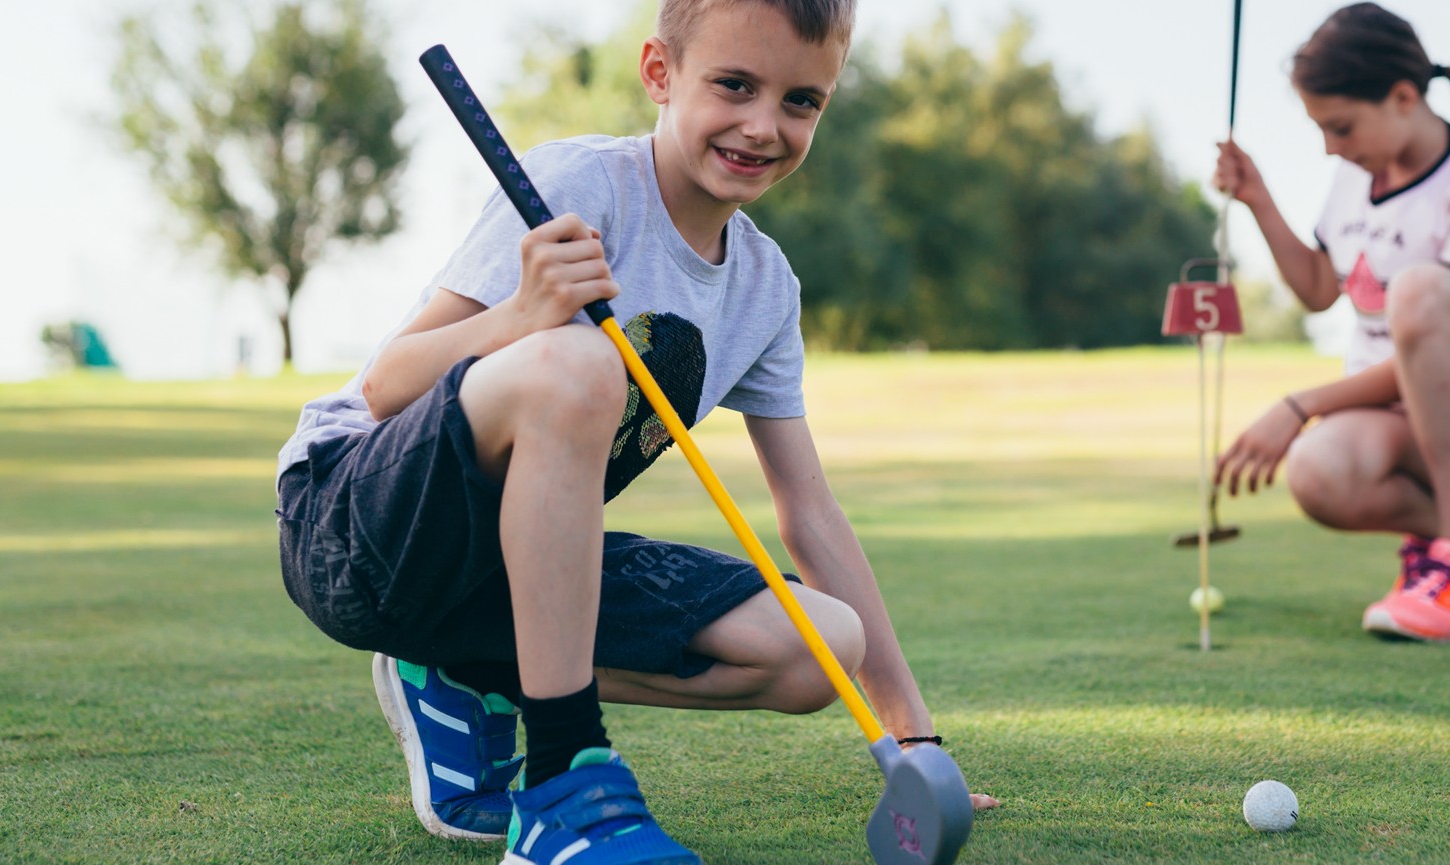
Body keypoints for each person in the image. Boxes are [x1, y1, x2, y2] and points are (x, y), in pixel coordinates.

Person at [274, 2, 993, 862]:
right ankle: (561, 786)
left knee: (823, 646)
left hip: (502, 568)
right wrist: (522, 315)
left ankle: (464, 665)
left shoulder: (765, 288)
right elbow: (389, 385)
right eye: (734, 85)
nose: (764, 126)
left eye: (802, 101)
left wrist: (913, 738)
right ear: (659, 73)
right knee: (577, 365)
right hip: (353, 527)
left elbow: (811, 514)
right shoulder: (575, 186)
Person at [1211, 2, 1450, 643]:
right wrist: (1259, 200)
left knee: (1420, 292)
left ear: (1404, 97)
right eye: (1322, 130)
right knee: (1316, 471)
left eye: (1342, 127)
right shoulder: (1355, 180)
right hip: (1407, 421)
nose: (1331, 147)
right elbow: (1318, 291)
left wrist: (1301, 403)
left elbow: (1433, 335)